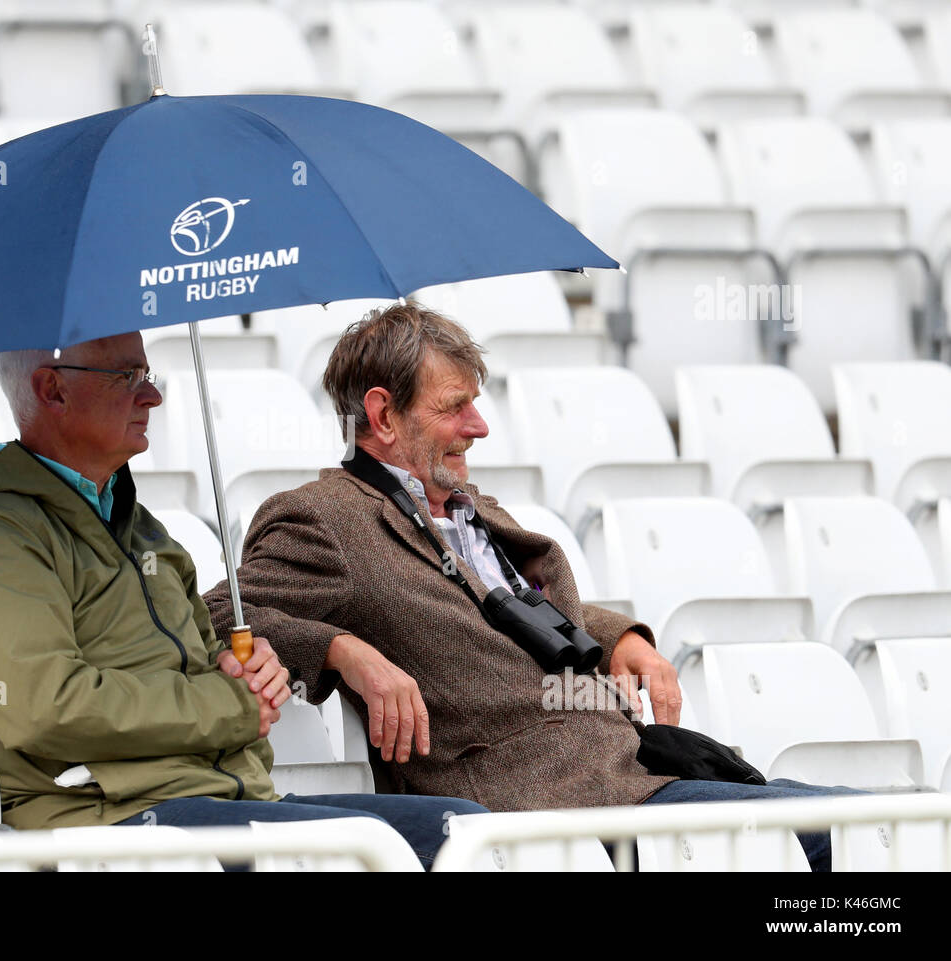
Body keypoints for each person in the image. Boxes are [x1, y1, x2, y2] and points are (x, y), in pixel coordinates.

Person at [203, 303, 860, 871]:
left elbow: (510, 612)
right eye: (455, 406)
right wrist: (342, 648)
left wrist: (617, 636)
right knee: (852, 836)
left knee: (879, 822)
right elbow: (214, 616)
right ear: (383, 414)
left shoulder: (467, 506)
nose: (479, 426)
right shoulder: (321, 517)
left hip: (626, 773)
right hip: (540, 807)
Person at [0, 331, 486, 869]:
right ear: (52, 389)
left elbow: (207, 663)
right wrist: (233, 705)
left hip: (218, 801)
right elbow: (43, 707)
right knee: (354, 855)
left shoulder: (142, 531)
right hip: (106, 818)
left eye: (149, 372)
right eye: (126, 376)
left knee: (463, 832)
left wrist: (250, 665)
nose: (153, 394)